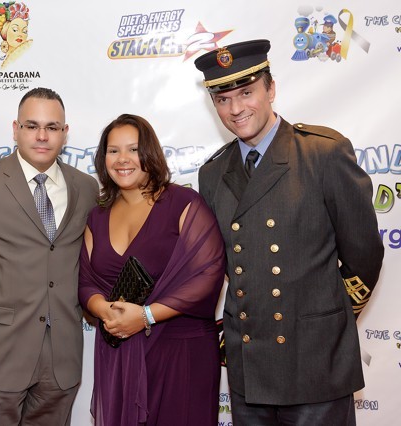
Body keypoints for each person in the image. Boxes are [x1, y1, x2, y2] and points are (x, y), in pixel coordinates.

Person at [194, 39, 384, 425]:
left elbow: (364, 254)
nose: (236, 109)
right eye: (223, 99)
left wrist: (328, 322)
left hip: (316, 362)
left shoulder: (322, 153)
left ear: (271, 89)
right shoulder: (212, 173)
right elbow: (228, 265)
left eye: (246, 93)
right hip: (250, 367)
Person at [0, 87, 98, 425]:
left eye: (52, 127)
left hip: (62, 357)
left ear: (65, 133)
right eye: (32, 126)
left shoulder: (86, 188)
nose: (42, 136)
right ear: (15, 129)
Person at [78, 114, 226, 425]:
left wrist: (145, 316)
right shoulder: (97, 216)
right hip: (120, 353)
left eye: (133, 149)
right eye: (113, 150)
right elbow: (86, 282)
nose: (123, 159)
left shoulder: (184, 203)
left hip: (181, 351)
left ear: (150, 153)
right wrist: (105, 311)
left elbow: (208, 275)